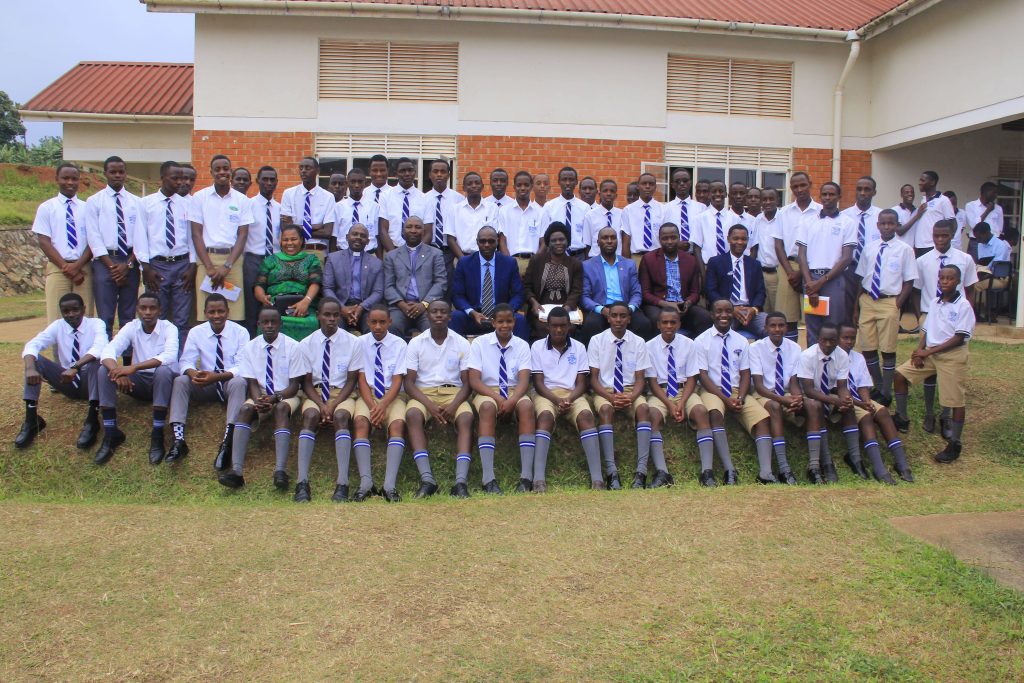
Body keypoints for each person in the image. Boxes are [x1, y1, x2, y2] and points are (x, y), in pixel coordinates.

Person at [894, 264, 974, 464]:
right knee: (900, 375)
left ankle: (955, 443)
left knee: (955, 401)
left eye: (950, 278)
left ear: (958, 281)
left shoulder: (963, 306)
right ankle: (902, 419)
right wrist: (919, 352)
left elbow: (959, 338)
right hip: (930, 353)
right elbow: (928, 330)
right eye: (942, 278)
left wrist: (927, 352)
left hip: (951, 356)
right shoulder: (935, 302)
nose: (945, 281)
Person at [219, 306, 305, 490]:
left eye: (274, 322)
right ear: (258, 324)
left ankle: (280, 471)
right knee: (245, 409)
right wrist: (259, 401)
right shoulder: (250, 347)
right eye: (265, 322)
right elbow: (251, 382)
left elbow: (295, 385)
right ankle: (236, 471)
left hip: (286, 394)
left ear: (280, 324)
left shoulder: (293, 347)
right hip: (261, 394)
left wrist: (275, 398)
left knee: (281, 409)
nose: (269, 326)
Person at [694, 300, 774, 486]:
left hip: (738, 391)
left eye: (728, 311)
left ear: (733, 314)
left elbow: (745, 373)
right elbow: (703, 376)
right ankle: (729, 469)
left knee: (762, 419)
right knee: (715, 413)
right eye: (719, 311)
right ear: (712, 315)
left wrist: (741, 397)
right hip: (713, 390)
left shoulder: (741, 341)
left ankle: (765, 472)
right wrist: (725, 400)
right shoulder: (701, 341)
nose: (724, 315)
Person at [94, 292, 179, 465]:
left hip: (164, 383)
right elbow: (108, 351)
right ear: (137, 310)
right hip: (138, 382)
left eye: (152, 308)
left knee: (163, 371)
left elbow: (169, 356)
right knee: (103, 370)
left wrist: (134, 367)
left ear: (160, 310)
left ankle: (157, 434)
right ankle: (111, 433)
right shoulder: (131, 327)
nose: (147, 312)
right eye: (143, 308)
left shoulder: (169, 328)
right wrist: (117, 372)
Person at [15, 293, 106, 450]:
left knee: (97, 361)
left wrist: (75, 367)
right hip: (67, 382)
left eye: (75, 310)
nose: (71, 314)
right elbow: (33, 344)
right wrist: (30, 368)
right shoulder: (58, 326)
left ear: (84, 309)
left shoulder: (96, 324)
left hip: (90, 383)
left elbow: (100, 347)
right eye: (66, 311)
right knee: (34, 359)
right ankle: (32, 420)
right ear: (61, 312)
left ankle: (92, 421)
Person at [167, 293, 248, 467]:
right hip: (205, 383)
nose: (216, 316)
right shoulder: (196, 332)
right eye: (212, 312)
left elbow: (243, 366)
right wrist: (193, 374)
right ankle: (178, 440)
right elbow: (186, 361)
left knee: (240, 382)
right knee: (181, 381)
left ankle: (228, 441)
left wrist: (217, 377)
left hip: (228, 383)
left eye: (221, 311)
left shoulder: (240, 332)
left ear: (228, 312)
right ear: (205, 313)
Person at [914, 220, 978, 433]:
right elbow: (917, 289)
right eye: (936, 236)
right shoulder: (923, 260)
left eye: (944, 236)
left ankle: (946, 415)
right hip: (930, 314)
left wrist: (967, 314)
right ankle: (929, 413)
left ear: (952, 236)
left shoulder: (965, 259)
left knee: (949, 369)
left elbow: (970, 289)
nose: (940, 240)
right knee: (928, 366)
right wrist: (920, 315)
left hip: (954, 318)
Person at [404, 301, 473, 499]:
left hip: (453, 392)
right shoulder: (416, 343)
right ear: (428, 316)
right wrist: (431, 406)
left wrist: (453, 406)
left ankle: (460, 482)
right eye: (434, 311)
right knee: (412, 414)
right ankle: (427, 480)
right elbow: (409, 383)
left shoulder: (461, 342)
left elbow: (467, 383)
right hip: (423, 393)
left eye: (444, 312)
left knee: (466, 417)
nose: (439, 315)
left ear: (450, 317)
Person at [294, 298, 361, 503]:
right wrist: (322, 405)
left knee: (341, 417)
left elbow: (351, 380)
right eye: (327, 315)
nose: (331, 319)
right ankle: (302, 483)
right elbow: (306, 383)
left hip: (342, 393)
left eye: (335, 315)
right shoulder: (306, 344)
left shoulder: (353, 342)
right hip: (315, 393)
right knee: (310, 416)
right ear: (318, 316)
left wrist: (333, 404)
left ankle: (343, 483)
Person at [467, 304, 535, 496]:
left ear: (514, 322)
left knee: (527, 406)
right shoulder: (479, 344)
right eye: (500, 321)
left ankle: (526, 477)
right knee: (488, 407)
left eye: (509, 321)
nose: (505, 325)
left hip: (514, 390)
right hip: (488, 391)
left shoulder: (522, 345)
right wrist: (498, 398)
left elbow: (524, 380)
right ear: (493, 323)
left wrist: (512, 400)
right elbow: (474, 380)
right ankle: (488, 479)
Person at [530, 307, 600, 493]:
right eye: (554, 326)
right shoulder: (537, 347)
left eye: (563, 326)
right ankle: (538, 479)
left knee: (586, 416)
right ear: (547, 326)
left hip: (573, 393)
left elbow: (582, 383)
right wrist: (557, 400)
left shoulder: (579, 347)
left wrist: (569, 399)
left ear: (569, 326)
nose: (559, 330)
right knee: (545, 417)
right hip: (546, 394)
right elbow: (538, 383)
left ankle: (597, 479)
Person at [586, 301, 652, 491]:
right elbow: (594, 379)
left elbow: (640, 379)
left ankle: (641, 472)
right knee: (605, 410)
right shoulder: (597, 340)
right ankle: (611, 472)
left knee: (644, 408)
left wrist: (631, 397)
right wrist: (611, 398)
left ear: (629, 319)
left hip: (630, 390)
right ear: (608, 318)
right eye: (614, 315)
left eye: (623, 316)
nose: (618, 319)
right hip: (605, 391)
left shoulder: (638, 342)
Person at [854, 208, 915, 404]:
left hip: (890, 300)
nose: (887, 227)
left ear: (897, 225)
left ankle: (886, 392)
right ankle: (879, 386)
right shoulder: (869, 248)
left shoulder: (905, 249)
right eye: (883, 223)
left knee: (887, 349)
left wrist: (897, 303)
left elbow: (909, 281)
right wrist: (856, 306)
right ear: (878, 225)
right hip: (868, 300)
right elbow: (861, 277)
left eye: (891, 223)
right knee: (867, 346)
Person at [838, 323, 909, 484]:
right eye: (845, 338)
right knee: (866, 416)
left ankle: (901, 463)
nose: (849, 342)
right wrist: (862, 405)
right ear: (837, 338)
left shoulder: (858, 357)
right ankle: (879, 468)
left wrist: (867, 401)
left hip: (859, 398)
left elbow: (863, 384)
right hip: (844, 399)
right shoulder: (833, 358)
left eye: (852, 338)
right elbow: (836, 389)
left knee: (882, 411)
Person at [643, 308, 704, 488]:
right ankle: (662, 472)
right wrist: (670, 405)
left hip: (685, 390)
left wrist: (682, 402)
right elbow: (652, 382)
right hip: (660, 393)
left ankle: (706, 471)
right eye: (665, 322)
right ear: (658, 325)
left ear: (679, 324)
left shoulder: (689, 344)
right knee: (652, 415)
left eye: (673, 322)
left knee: (701, 411)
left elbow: (692, 378)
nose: (669, 326)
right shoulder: (649, 346)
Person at [352, 306, 408, 502]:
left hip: (392, 396)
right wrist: (372, 406)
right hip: (367, 395)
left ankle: (389, 486)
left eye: (382, 322)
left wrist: (383, 405)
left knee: (398, 425)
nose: (377, 326)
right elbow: (361, 378)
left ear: (390, 322)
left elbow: (398, 380)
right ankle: (366, 483)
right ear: (367, 323)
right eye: (373, 322)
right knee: (360, 422)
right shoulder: (359, 343)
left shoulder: (399, 344)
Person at [189, 155, 252, 324]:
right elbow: (196, 234)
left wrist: (227, 266)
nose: (222, 172)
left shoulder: (242, 200)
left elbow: (243, 235)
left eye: (225, 168)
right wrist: (209, 267)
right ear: (211, 172)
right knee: (206, 312)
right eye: (217, 169)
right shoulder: (199, 197)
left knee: (235, 313)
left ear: (231, 171)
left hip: (233, 261)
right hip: (206, 260)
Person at [85, 156, 141, 342]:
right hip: (105, 262)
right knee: (105, 316)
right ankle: (105, 356)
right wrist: (112, 267)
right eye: (113, 172)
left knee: (128, 316)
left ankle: (127, 357)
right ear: (105, 174)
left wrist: (128, 264)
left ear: (125, 174)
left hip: (130, 262)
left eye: (121, 172)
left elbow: (141, 236)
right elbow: (93, 236)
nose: (117, 175)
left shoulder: (136, 202)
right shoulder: (94, 201)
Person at [797, 182, 856, 345]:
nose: (827, 197)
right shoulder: (808, 221)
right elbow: (801, 255)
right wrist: (810, 284)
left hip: (834, 280)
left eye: (831, 194)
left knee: (833, 326)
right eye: (824, 194)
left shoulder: (848, 222)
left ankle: (833, 360)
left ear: (839, 197)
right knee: (812, 327)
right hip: (811, 278)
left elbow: (846, 258)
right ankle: (813, 360)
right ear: (820, 196)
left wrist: (821, 282)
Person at [748, 312, 804, 485]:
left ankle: (819, 465)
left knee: (812, 406)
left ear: (786, 327)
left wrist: (797, 398)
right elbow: (759, 386)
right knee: (774, 406)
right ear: (766, 328)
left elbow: (793, 381)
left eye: (781, 325)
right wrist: (783, 401)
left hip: (785, 392)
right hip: (764, 393)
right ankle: (783, 467)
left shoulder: (794, 348)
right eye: (773, 326)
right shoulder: (755, 348)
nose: (777, 329)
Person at [33, 162, 93, 322]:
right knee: (57, 317)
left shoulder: (87, 208)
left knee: (85, 317)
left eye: (74, 179)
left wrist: (77, 266)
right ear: (57, 179)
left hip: (83, 269)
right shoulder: (46, 208)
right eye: (65, 178)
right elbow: (44, 241)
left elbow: (93, 241)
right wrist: (66, 267)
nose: (70, 182)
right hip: (57, 268)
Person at [796, 322, 851, 484]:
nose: (828, 344)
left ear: (837, 340)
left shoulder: (842, 355)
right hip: (808, 396)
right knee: (816, 405)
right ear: (818, 339)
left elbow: (842, 386)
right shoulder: (807, 355)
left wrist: (845, 399)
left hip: (828, 394)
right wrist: (834, 400)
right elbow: (808, 390)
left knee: (850, 408)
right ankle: (823, 463)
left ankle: (855, 459)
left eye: (832, 340)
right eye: (824, 340)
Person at [450, 226, 529, 340]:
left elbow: (518, 294)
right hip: (473, 315)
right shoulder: (464, 263)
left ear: (497, 241)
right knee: (455, 317)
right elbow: (457, 295)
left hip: (501, 317)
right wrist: (472, 312)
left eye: (491, 241)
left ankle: (520, 352)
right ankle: (457, 352)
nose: (487, 245)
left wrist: (505, 313)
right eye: (482, 241)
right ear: (477, 242)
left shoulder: (509, 263)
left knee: (520, 320)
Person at [638, 222, 711, 337]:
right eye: (665, 238)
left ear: (679, 238)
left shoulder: (690, 260)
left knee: (705, 317)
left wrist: (687, 303)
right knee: (657, 318)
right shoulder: (648, 259)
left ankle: (692, 346)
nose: (670, 241)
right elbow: (645, 293)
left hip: (683, 305)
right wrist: (666, 304)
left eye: (673, 237)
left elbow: (695, 292)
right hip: (658, 305)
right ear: (659, 240)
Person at [580, 227, 653, 341]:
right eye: (605, 238)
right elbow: (584, 297)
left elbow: (636, 293)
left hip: (626, 306)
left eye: (613, 238)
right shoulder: (587, 266)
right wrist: (601, 310)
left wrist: (630, 308)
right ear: (598, 242)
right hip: (601, 308)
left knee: (643, 324)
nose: (609, 241)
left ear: (617, 241)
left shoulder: (629, 264)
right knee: (591, 325)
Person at [772, 172, 821, 342]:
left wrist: (802, 272)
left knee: (812, 315)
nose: (799, 189)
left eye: (803, 185)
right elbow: (778, 244)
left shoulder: (821, 211)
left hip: (812, 269)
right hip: (788, 268)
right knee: (787, 317)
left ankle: (812, 353)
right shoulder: (783, 212)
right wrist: (791, 272)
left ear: (810, 184)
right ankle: (790, 353)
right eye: (795, 187)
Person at [253, 224, 322, 340]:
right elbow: (259, 285)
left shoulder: (311, 259)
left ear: (301, 240)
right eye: (285, 240)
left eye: (293, 239)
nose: (289, 243)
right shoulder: (270, 260)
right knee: (268, 321)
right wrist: (263, 298)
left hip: (304, 305)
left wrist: (306, 301)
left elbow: (315, 282)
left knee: (311, 322)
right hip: (274, 306)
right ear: (280, 242)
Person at [383, 216, 447, 337]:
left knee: (432, 326)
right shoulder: (391, 256)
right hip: (399, 307)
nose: (413, 230)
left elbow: (440, 283)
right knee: (393, 325)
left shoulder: (436, 254)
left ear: (423, 231)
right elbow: (388, 286)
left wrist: (424, 304)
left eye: (417, 227)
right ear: (403, 231)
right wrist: (402, 305)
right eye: (409, 227)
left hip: (427, 306)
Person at [523, 222, 583, 340]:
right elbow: (527, 287)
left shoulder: (575, 263)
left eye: (561, 239)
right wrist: (534, 303)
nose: (558, 243)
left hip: (567, 308)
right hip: (541, 308)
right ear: (548, 243)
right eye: (554, 240)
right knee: (542, 328)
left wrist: (566, 309)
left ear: (567, 241)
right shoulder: (536, 260)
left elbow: (576, 291)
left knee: (569, 328)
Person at [706, 225, 767, 338]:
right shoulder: (715, 262)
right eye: (736, 238)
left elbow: (760, 291)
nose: (740, 242)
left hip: (750, 311)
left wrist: (754, 309)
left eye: (743, 239)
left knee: (769, 327)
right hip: (725, 312)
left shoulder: (754, 264)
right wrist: (730, 309)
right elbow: (711, 291)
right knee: (721, 332)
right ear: (728, 239)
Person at [322, 223, 383, 333]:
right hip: (339, 306)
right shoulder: (333, 258)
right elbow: (327, 288)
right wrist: (342, 308)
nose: (358, 237)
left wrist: (361, 307)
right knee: (335, 329)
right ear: (347, 237)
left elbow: (378, 292)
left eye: (363, 236)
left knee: (373, 329)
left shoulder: (376, 263)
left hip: (366, 308)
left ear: (368, 241)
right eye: (355, 234)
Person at [243, 166, 281, 335]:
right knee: (252, 306)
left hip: (275, 261)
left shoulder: (280, 208)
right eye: (265, 179)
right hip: (253, 260)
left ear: (277, 182)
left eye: (272, 180)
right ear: (257, 181)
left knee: (273, 303)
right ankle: (252, 340)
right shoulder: (248, 205)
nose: (269, 183)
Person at [841, 176, 883, 319]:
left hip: (873, 268)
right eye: (859, 189)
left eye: (867, 189)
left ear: (874, 192)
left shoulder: (882, 216)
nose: (863, 193)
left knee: (868, 309)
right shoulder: (844, 216)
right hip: (849, 268)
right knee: (847, 309)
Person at [422, 159, 464, 274]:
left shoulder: (459, 199)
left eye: (443, 171)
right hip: (429, 250)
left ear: (448, 175)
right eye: (435, 171)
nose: (439, 174)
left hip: (451, 252)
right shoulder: (422, 199)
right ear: (430, 175)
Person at [498, 170, 543, 275]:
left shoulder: (541, 212)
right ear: (514, 187)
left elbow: (544, 242)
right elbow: (502, 240)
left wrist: (535, 262)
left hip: (534, 262)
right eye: (519, 185)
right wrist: (509, 262)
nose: (522, 188)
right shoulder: (504, 211)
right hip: (511, 261)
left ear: (531, 186)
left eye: (526, 185)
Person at [541, 167, 591, 259]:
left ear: (576, 182)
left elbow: (587, 239)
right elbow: (545, 237)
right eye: (564, 180)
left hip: (578, 257)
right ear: (559, 182)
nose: (567, 183)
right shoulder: (549, 206)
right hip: (555, 257)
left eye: (571, 180)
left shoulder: (585, 208)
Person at [447, 172, 499, 260]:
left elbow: (496, 235)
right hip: (462, 256)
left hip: (488, 258)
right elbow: (450, 238)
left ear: (482, 186)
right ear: (463, 187)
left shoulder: (493, 208)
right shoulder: (454, 209)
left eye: (477, 183)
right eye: (469, 184)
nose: (474, 186)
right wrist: (463, 260)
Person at [691, 180, 743, 268]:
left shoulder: (735, 219)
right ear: (709, 195)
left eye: (721, 191)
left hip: (730, 266)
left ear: (726, 194)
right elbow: (697, 248)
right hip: (708, 266)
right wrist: (703, 272)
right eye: (714, 191)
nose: (718, 194)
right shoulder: (700, 218)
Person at [903, 171, 955, 257]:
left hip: (933, 245)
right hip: (919, 246)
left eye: (923, 180)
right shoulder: (923, 200)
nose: (919, 183)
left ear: (932, 182)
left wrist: (945, 243)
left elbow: (952, 223)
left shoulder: (943, 200)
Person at [379, 157, 422, 252]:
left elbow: (426, 231)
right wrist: (394, 255)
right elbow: (383, 230)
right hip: (392, 249)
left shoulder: (424, 198)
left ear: (415, 173)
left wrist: (417, 253)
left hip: (418, 252)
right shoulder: (385, 196)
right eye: (402, 171)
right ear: (396, 174)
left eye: (410, 170)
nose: (407, 174)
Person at [620, 172, 666, 261]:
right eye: (644, 183)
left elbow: (665, 237)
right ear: (638, 186)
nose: (647, 186)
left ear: (655, 187)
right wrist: (626, 264)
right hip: (636, 257)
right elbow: (626, 241)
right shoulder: (628, 210)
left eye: (651, 184)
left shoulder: (663, 209)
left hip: (658, 257)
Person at [335, 167, 380, 253]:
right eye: (353, 182)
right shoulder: (338, 207)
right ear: (347, 183)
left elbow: (378, 235)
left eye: (360, 182)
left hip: (369, 253)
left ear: (365, 183)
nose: (356, 185)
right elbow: (334, 236)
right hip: (343, 253)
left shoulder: (374, 207)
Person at [752, 188, 781, 312]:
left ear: (777, 200)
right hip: (761, 274)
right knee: (763, 312)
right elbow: (754, 247)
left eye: (771, 199)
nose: (768, 202)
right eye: (764, 199)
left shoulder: (784, 218)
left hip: (779, 273)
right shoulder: (757, 220)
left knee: (778, 311)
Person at [664, 168, 705, 252]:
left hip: (697, 254)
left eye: (685, 181)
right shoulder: (665, 208)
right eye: (678, 181)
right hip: (673, 253)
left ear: (690, 183)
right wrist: (676, 244)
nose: (682, 184)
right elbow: (662, 234)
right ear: (672, 185)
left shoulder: (702, 208)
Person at [973, 221, 1012, 304]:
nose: (978, 241)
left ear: (986, 233)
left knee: (972, 286)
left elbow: (997, 268)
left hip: (1001, 278)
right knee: (967, 282)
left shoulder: (1000, 245)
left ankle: (973, 309)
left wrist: (981, 276)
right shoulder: (980, 245)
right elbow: (981, 263)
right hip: (985, 275)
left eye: (979, 237)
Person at [583, 179, 623, 258]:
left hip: (617, 259)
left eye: (612, 191)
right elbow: (587, 243)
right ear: (599, 194)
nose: (608, 194)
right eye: (605, 191)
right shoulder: (590, 215)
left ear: (616, 195)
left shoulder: (622, 215)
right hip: (596, 258)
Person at [892, 183, 918, 249]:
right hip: (899, 249)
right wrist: (917, 216)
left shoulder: (918, 211)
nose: (910, 194)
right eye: (907, 192)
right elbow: (899, 231)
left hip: (914, 250)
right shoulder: (895, 210)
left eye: (912, 192)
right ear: (901, 195)